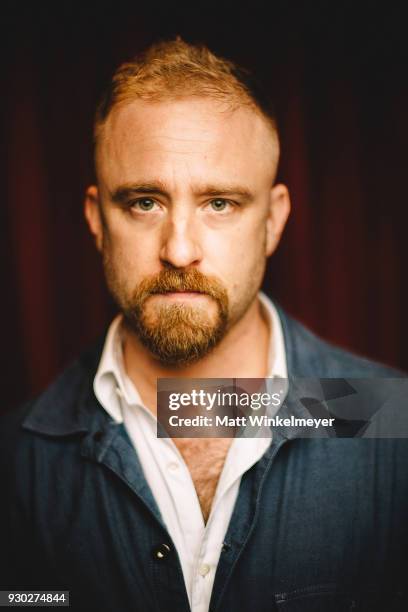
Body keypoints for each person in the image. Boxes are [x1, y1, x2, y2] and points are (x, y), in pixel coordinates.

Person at [1, 38, 407, 612]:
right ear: (97, 220)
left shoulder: (393, 428)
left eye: (220, 203)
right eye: (145, 202)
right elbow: (25, 599)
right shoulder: (17, 461)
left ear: (273, 220)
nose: (180, 249)